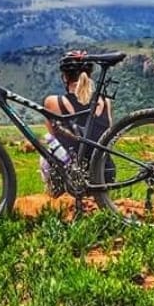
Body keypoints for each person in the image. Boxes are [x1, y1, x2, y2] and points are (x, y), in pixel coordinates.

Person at [39, 50, 114, 196]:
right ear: (90, 75)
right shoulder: (105, 102)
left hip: (74, 178)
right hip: (105, 175)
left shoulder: (53, 102)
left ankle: (55, 194)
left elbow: (53, 137)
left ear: (64, 77)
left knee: (47, 151)